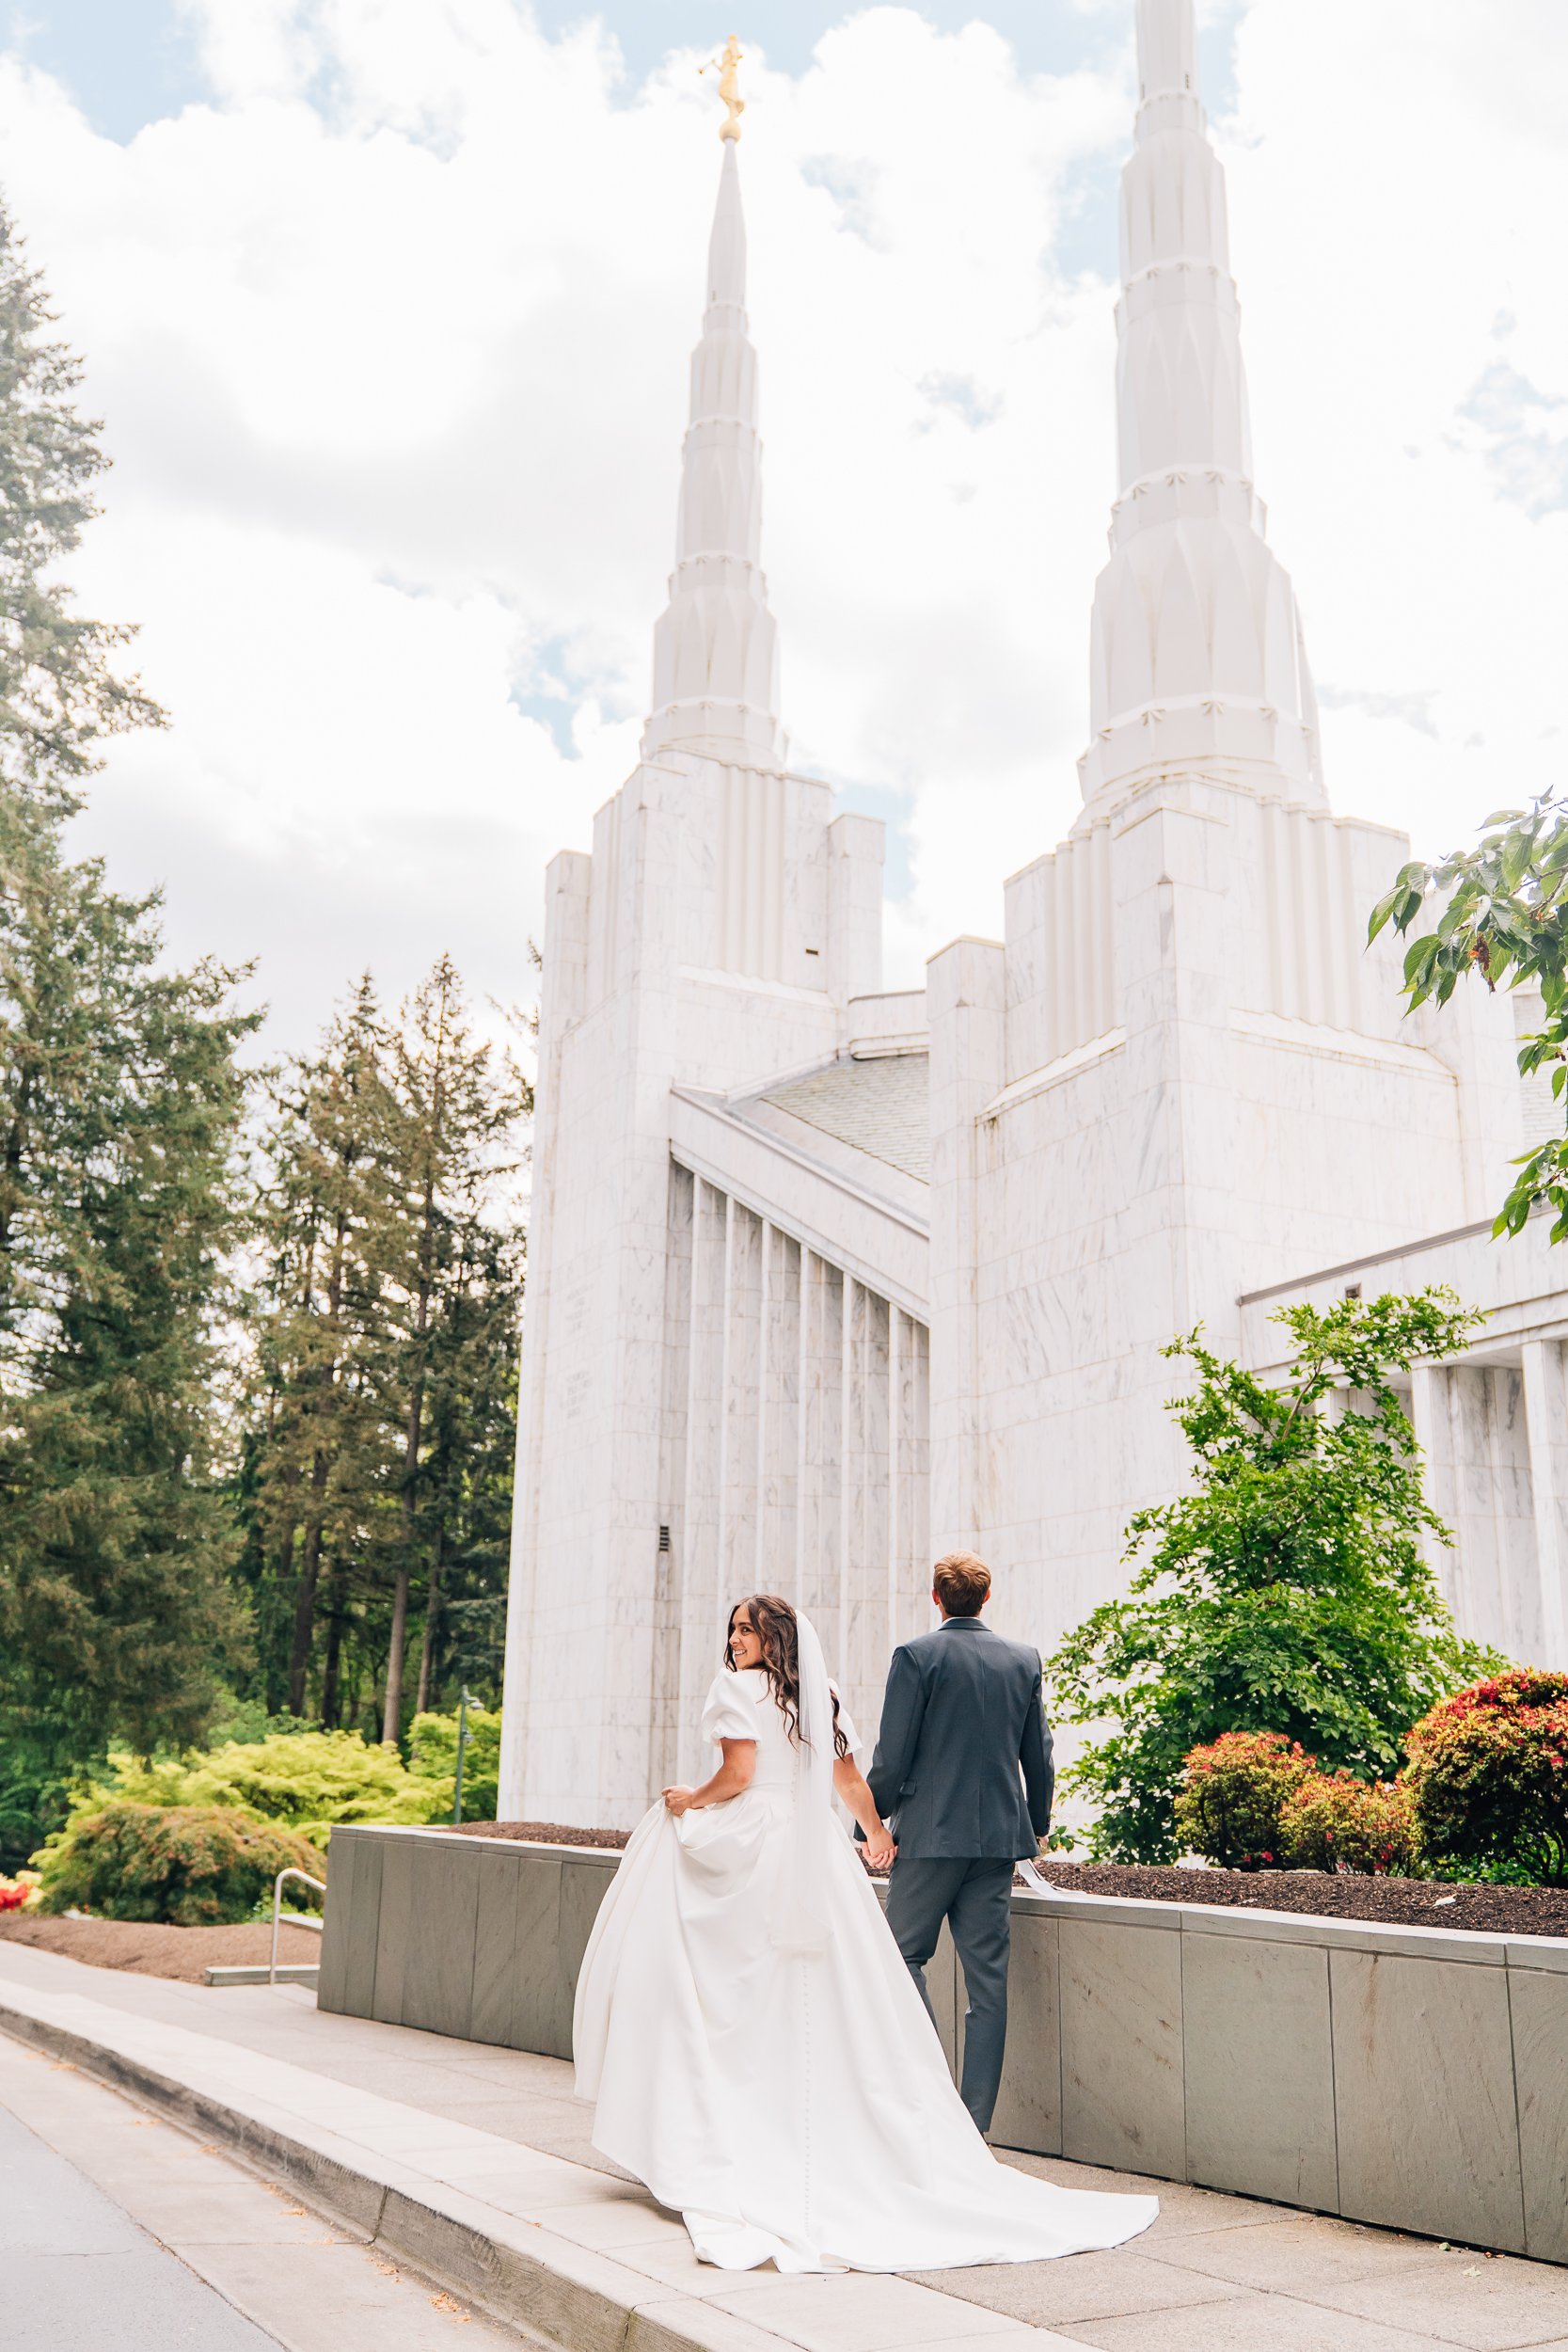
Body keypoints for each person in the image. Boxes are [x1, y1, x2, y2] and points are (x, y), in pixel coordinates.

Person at [572, 1590, 1156, 2273]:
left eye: (747, 1631)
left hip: (754, 1843)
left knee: (730, 1977)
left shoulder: (732, 1690)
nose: (734, 1641)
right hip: (813, 1848)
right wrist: (875, 1832)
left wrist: (688, 1800)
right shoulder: (817, 1693)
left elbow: (738, 1774)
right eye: (731, 1630)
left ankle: (734, 2117)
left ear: (774, 1637)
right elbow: (846, 1779)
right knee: (817, 1981)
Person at [865, 1549, 1053, 2135]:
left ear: (936, 1597)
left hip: (926, 1837)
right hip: (997, 1841)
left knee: (899, 1961)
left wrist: (871, 1824)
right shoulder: (1023, 1660)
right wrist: (1037, 1824)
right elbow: (1038, 1757)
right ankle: (973, 2125)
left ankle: (932, 2097)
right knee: (988, 1983)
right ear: (987, 1597)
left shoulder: (916, 1657)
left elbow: (891, 1754)